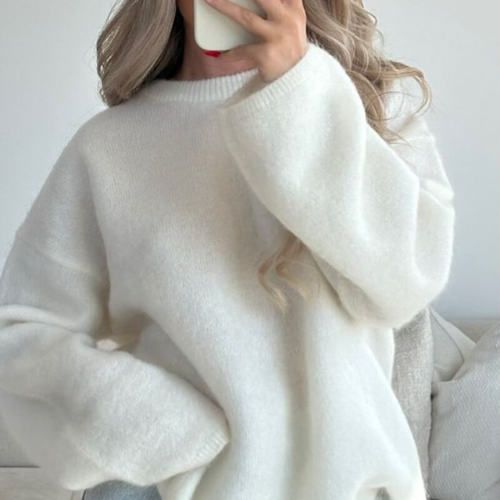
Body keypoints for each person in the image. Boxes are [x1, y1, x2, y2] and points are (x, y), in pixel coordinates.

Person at [0, 0, 456, 498]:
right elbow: (21, 330)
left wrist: (299, 93)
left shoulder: (370, 111)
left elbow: (408, 281)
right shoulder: (107, 146)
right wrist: (152, 425)